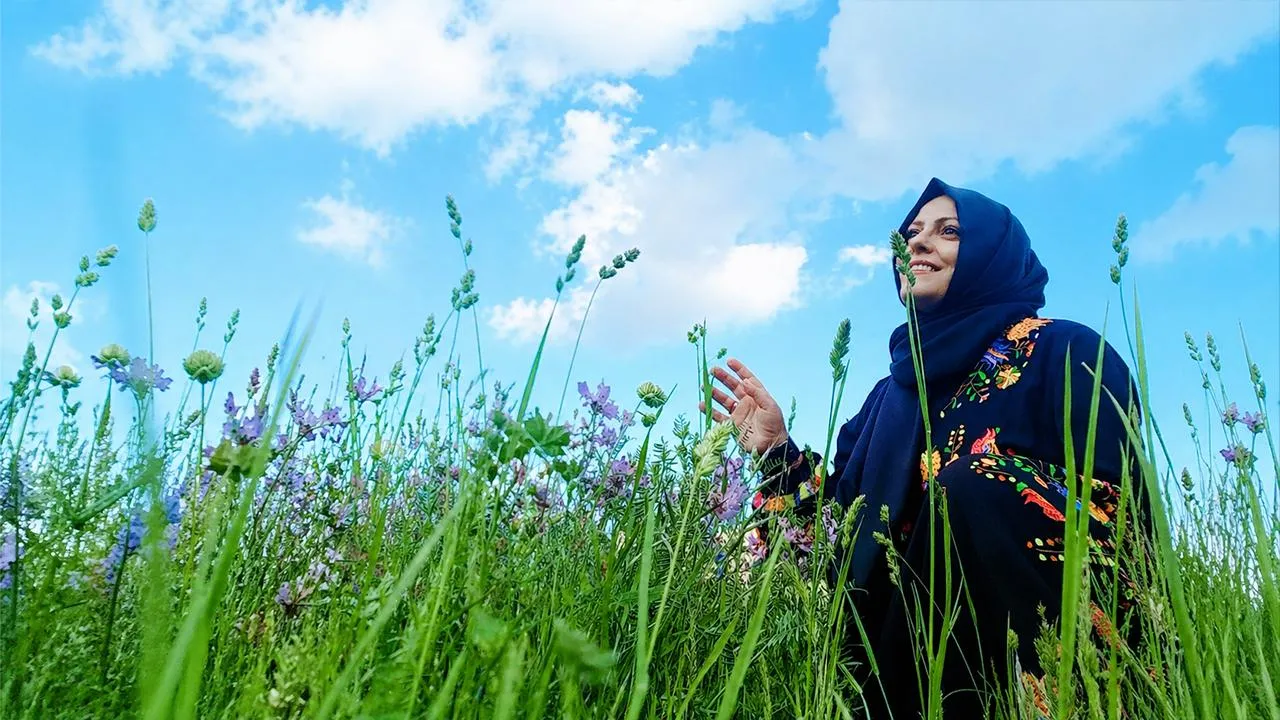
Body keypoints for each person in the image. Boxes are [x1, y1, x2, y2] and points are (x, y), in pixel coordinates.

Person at [701, 178, 1149, 717]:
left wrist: (977, 493)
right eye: (911, 232)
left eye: (949, 231)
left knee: (970, 487)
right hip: (896, 667)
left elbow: (1122, 518)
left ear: (993, 253)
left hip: (1045, 649)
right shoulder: (884, 402)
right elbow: (835, 542)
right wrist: (777, 451)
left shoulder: (1065, 352)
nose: (917, 242)